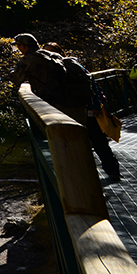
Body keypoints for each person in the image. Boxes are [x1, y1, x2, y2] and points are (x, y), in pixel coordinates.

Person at [43, 42, 120, 182]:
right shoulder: (50, 70)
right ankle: (86, 176)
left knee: (98, 141)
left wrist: (95, 105)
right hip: (68, 112)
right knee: (78, 145)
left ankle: (112, 171)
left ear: (60, 52)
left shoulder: (72, 66)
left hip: (86, 110)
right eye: (46, 52)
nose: (50, 55)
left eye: (52, 51)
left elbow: (91, 84)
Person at [10, 33, 72, 115]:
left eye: (18, 46)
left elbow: (16, 80)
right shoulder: (53, 55)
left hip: (53, 104)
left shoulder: (28, 59)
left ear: (24, 46)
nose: (19, 49)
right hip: (72, 99)